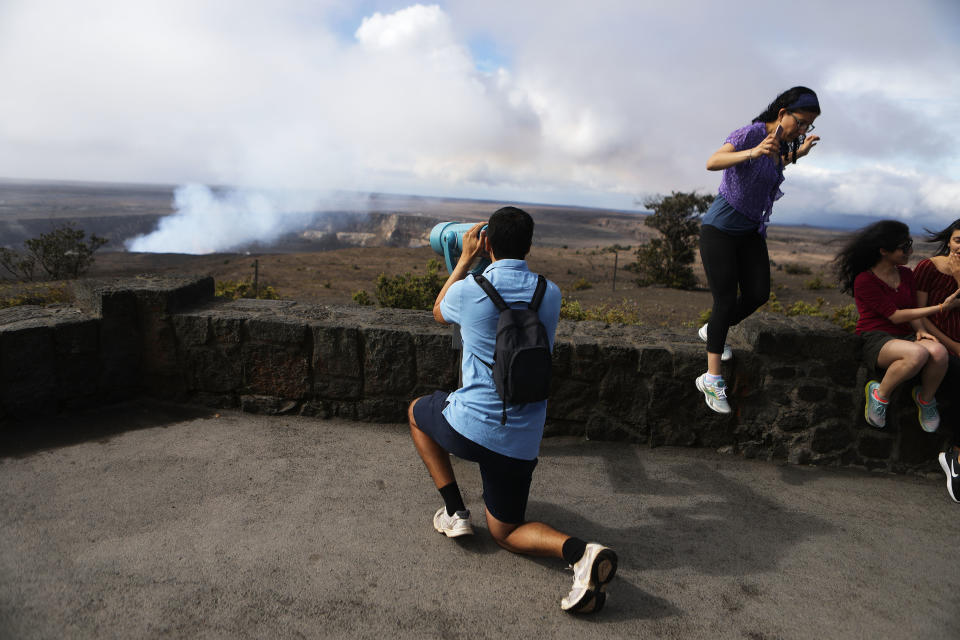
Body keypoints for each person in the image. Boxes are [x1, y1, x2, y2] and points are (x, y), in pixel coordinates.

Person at [407, 206, 618, 614]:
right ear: (530, 245)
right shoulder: (550, 293)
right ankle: (579, 552)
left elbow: (437, 311)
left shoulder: (469, 290)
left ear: (487, 242)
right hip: (521, 440)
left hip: (468, 428)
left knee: (417, 412)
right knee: (506, 532)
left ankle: (455, 511)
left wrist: (465, 260)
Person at [696, 86, 822, 414]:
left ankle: (713, 329)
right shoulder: (751, 132)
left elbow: (773, 164)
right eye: (801, 122)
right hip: (720, 231)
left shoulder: (779, 144)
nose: (803, 129)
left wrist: (799, 154)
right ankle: (711, 378)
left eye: (809, 125)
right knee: (724, 299)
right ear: (782, 113)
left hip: (751, 230)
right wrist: (751, 152)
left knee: (757, 293)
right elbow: (713, 161)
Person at [832, 220, 960, 434]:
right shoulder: (865, 280)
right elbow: (896, 316)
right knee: (917, 354)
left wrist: (920, 330)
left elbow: (911, 308)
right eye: (904, 247)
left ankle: (925, 399)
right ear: (884, 250)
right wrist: (940, 307)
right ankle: (880, 394)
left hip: (905, 336)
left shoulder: (906, 274)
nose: (909, 251)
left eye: (909, 244)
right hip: (877, 337)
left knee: (938, 352)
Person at [913, 218, 960, 502]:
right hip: (936, 343)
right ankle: (956, 454)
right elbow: (919, 314)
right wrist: (953, 344)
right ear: (949, 240)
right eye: (958, 241)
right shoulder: (929, 268)